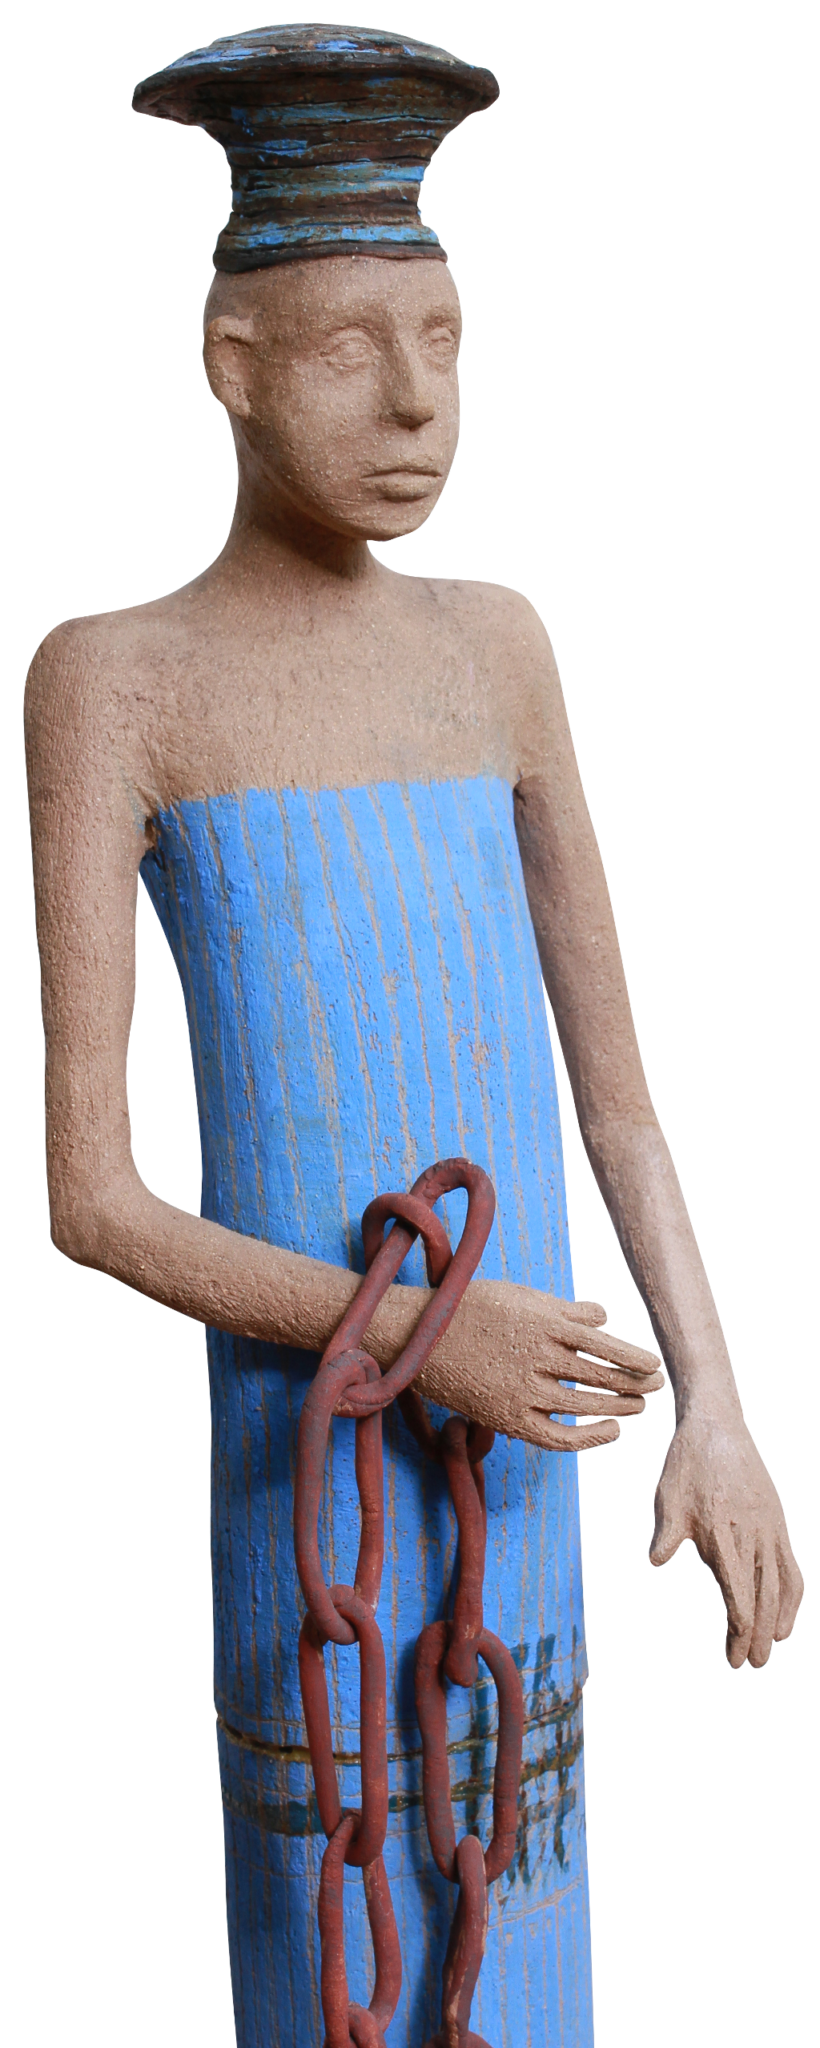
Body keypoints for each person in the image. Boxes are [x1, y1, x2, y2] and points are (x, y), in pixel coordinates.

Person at [24, 25, 803, 2048]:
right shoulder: (112, 680)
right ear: (232, 364)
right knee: (338, 1950)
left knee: (522, 1940)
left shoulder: (498, 643)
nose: (414, 401)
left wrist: (719, 1411)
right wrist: (421, 1334)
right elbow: (93, 1199)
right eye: (353, 347)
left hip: (525, 1479)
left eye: (443, 340)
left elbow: (617, 1103)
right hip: (319, 1494)